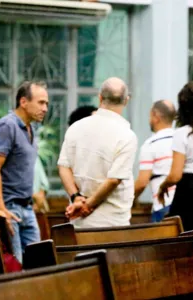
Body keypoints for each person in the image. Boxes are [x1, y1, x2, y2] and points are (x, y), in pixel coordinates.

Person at [59, 77, 138, 228]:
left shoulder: (76, 127)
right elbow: (114, 179)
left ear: (100, 97)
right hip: (113, 222)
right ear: (126, 100)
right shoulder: (127, 135)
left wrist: (76, 199)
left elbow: (63, 167)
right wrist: (88, 206)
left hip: (79, 221)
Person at [0, 81, 49, 263]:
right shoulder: (7, 126)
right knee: (16, 267)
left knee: (38, 263)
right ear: (23, 102)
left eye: (46, 103)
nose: (45, 108)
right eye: (41, 103)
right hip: (10, 207)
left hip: (27, 207)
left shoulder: (30, 128)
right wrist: (0, 209)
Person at [158, 82, 193, 231]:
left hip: (188, 191)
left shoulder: (182, 133)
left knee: (186, 238)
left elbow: (175, 175)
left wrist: (162, 187)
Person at [134, 100, 176, 222]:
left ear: (156, 116)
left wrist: (129, 200)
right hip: (184, 205)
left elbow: (142, 182)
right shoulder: (181, 139)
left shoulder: (150, 144)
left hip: (163, 206)